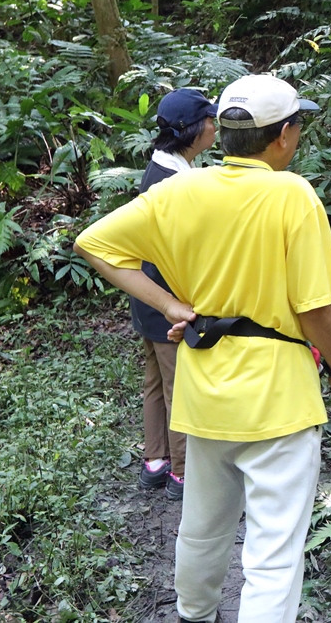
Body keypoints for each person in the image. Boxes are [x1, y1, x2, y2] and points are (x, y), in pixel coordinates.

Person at [74, 74, 331, 623]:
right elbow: (315, 311)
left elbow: (94, 243)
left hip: (205, 390)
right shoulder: (292, 194)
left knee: (203, 526)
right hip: (277, 398)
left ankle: (194, 614)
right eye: (297, 125)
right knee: (274, 553)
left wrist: (169, 305)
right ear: (282, 137)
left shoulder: (179, 190)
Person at [131, 88, 217, 501]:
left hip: (147, 297)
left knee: (155, 383)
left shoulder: (158, 168)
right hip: (168, 303)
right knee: (178, 387)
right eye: (212, 121)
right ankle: (181, 473)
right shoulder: (179, 183)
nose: (216, 128)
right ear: (195, 131)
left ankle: (154, 462)